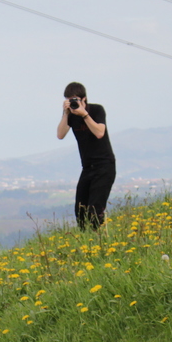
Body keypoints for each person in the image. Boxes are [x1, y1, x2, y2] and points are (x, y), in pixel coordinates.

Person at [56, 82, 116, 231]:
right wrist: (66, 114)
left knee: (95, 210)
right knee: (80, 210)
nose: (73, 103)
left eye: (75, 99)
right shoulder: (71, 116)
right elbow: (60, 135)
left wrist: (84, 115)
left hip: (104, 166)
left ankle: (99, 238)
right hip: (87, 167)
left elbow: (99, 132)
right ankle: (85, 238)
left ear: (84, 99)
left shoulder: (96, 110)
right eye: (69, 100)